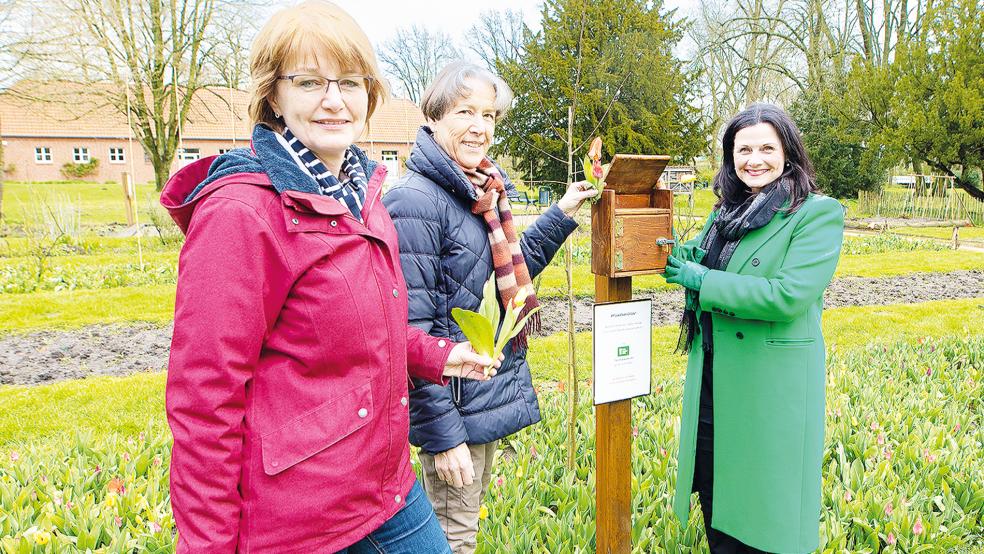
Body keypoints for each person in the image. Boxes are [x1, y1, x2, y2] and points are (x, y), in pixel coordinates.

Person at [160, 4, 498, 552]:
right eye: (310, 81)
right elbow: (205, 399)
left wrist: (435, 356)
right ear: (274, 94)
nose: (334, 99)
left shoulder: (360, 193)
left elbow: (355, 330)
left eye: (349, 82)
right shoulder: (242, 215)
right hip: (299, 515)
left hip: (383, 488)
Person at [382, 61, 597, 553]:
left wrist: (561, 214)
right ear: (434, 117)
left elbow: (504, 277)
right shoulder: (417, 202)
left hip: (478, 397)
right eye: (465, 112)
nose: (480, 126)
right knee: (453, 536)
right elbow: (412, 332)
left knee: (464, 528)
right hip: (454, 406)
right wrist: (443, 437)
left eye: (488, 114)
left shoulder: (478, 191)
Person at [664, 103, 845, 553]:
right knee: (717, 494)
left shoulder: (816, 214)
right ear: (730, 157)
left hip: (771, 390)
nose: (754, 159)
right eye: (743, 149)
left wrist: (702, 278)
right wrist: (691, 257)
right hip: (716, 379)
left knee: (768, 515)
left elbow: (785, 297)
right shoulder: (727, 212)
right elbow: (714, 263)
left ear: (788, 151)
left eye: (767, 147)